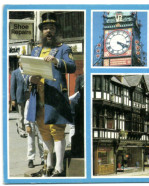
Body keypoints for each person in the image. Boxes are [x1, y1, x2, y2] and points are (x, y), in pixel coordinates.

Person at [27, 12, 76, 177]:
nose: (48, 31)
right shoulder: (35, 50)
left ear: (57, 30)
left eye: (52, 28)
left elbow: (72, 67)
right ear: (42, 31)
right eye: (45, 28)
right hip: (37, 96)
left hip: (55, 97)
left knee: (57, 131)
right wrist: (30, 78)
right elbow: (29, 69)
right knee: (43, 131)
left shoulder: (63, 48)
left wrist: (56, 61)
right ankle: (48, 166)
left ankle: (59, 167)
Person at [24, 94, 44, 168]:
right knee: (31, 142)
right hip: (31, 122)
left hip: (40, 122)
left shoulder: (42, 100)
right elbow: (26, 114)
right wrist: (27, 125)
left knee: (42, 141)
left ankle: (43, 158)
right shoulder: (29, 101)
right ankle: (30, 159)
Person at [10, 62, 29, 138]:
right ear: (19, 63)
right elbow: (12, 86)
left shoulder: (28, 71)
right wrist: (13, 99)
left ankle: (25, 128)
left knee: (26, 114)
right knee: (21, 115)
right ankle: (22, 131)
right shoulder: (15, 73)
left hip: (27, 96)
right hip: (19, 96)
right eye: (23, 62)